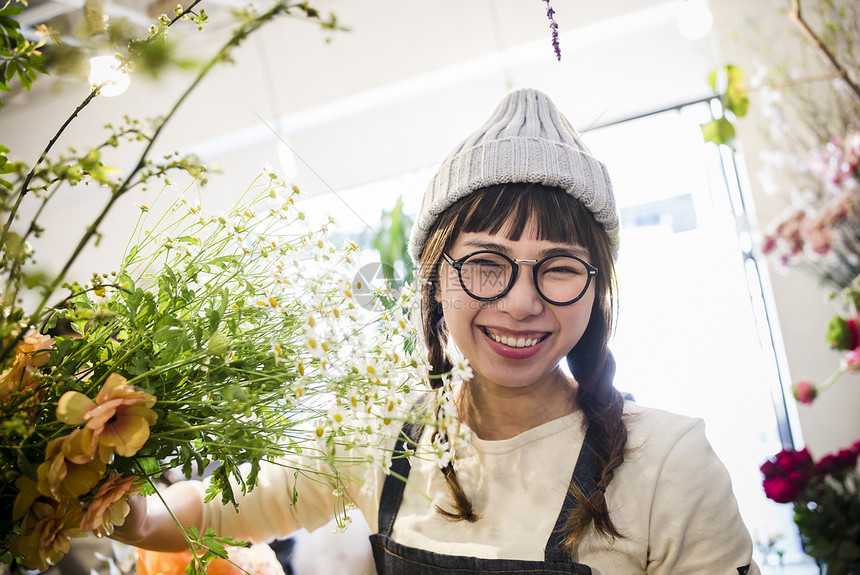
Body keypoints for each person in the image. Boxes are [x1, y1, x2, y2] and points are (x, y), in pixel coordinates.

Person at [114, 88, 760, 574]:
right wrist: (110, 504)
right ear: (436, 279)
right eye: (485, 264)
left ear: (595, 285)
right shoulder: (383, 434)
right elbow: (217, 512)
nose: (520, 301)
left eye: (558, 268)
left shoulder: (671, 463)